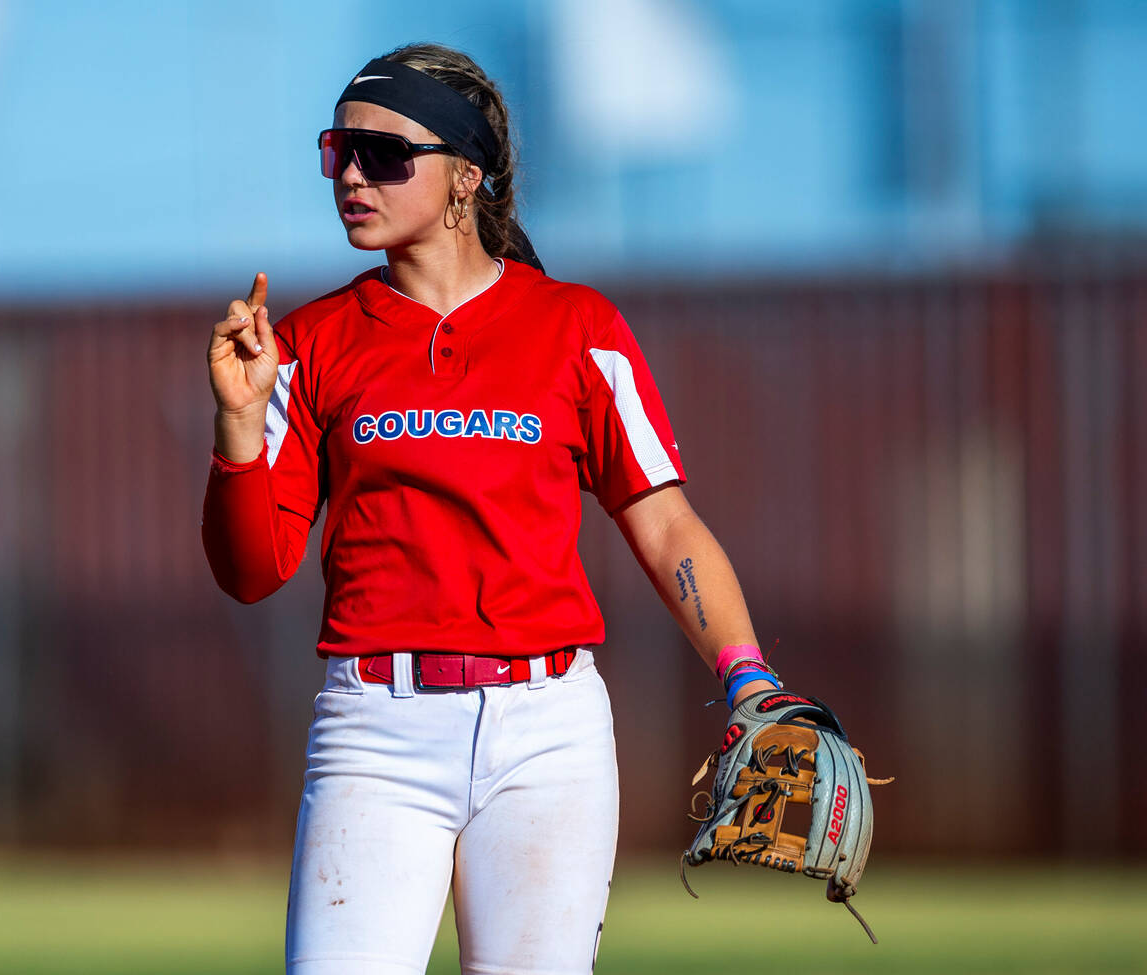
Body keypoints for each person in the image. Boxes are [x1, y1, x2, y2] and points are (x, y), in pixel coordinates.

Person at [201, 42, 779, 975]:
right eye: (335, 150)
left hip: (546, 734)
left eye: (384, 153)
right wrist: (237, 420)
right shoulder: (308, 344)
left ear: (466, 174)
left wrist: (746, 672)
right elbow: (250, 568)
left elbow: (665, 521)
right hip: (375, 733)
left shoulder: (577, 328)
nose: (351, 173)